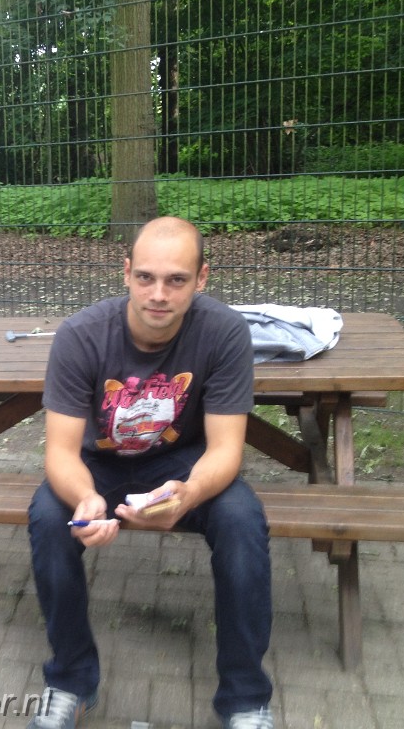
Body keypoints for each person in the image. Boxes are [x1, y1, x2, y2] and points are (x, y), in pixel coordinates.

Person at [27, 216, 273, 729]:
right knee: (50, 518)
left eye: (176, 280)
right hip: (97, 464)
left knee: (242, 521)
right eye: (145, 277)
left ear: (201, 278)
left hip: (184, 462)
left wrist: (190, 493)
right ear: (126, 273)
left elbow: (227, 449)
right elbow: (61, 453)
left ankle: (245, 698)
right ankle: (70, 681)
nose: (158, 294)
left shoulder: (224, 332)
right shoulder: (80, 336)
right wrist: (85, 498)